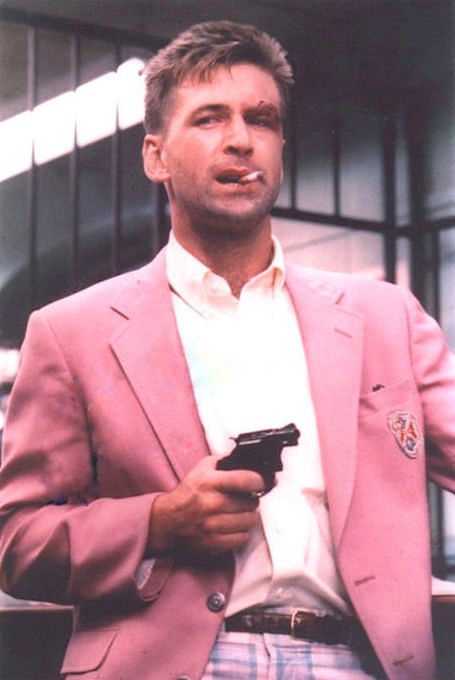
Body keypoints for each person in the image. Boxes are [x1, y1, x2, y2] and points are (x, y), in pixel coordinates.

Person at [0, 20, 454, 680]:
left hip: (356, 660)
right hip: (165, 665)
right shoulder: (73, 332)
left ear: (280, 148)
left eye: (260, 119)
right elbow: (16, 542)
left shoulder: (385, 317)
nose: (241, 138)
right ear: (156, 157)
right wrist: (159, 521)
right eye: (209, 117)